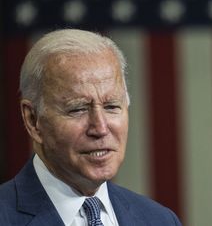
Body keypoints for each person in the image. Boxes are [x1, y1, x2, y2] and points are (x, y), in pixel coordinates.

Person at [0, 29, 182, 225]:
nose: (101, 128)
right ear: (33, 120)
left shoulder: (159, 220)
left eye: (111, 106)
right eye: (78, 109)